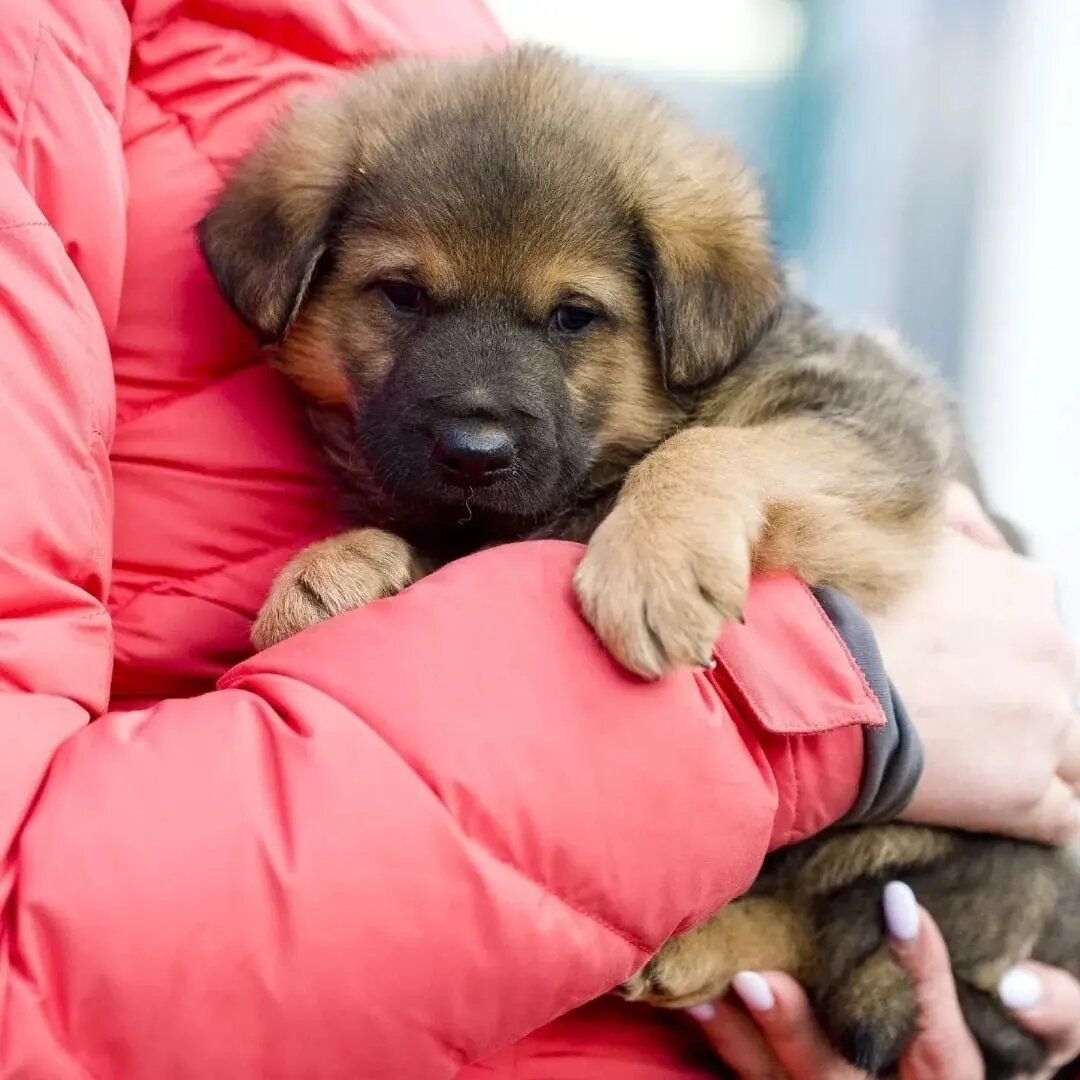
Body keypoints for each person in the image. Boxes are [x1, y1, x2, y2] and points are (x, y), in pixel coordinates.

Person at [0, 1, 1076, 1077]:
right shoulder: (99, 89)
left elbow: (885, 441)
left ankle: (798, 940)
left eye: (570, 319)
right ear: (299, 281)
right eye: (405, 296)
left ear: (671, 318)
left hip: (920, 867)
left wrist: (704, 485)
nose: (476, 405)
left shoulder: (458, 70)